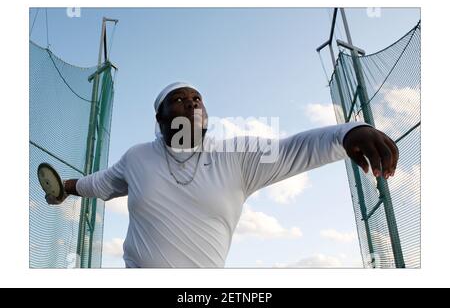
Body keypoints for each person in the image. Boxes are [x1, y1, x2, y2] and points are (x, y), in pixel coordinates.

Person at [49, 82, 399, 268]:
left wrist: (349, 132)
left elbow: (295, 148)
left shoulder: (236, 155)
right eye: (179, 99)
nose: (191, 102)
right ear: (160, 118)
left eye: (197, 98)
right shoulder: (138, 157)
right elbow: (98, 184)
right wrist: (65, 187)